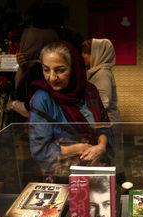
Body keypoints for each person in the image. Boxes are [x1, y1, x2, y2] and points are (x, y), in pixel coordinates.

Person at [29, 41, 113, 175]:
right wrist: (78, 148)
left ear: (74, 67)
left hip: (97, 168)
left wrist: (101, 146)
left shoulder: (89, 91)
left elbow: (103, 125)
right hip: (63, 175)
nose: (52, 77)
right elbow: (39, 151)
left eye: (60, 70)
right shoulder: (42, 99)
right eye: (46, 69)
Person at [81, 38, 120, 122]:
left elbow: (104, 103)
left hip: (106, 124)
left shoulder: (102, 74)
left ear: (96, 54)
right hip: (102, 122)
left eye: (85, 53)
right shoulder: (97, 72)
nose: (82, 55)